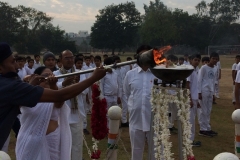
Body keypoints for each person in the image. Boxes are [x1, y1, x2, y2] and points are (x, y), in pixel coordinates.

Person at [0, 42, 106, 149]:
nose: (17, 66)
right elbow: (60, 96)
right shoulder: (9, 86)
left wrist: (32, 86)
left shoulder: (9, 85)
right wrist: (93, 78)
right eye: (13, 62)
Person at [16, 66, 71, 160]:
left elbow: (59, 102)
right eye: (46, 76)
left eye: (51, 75)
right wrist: (31, 85)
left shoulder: (55, 94)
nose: (48, 78)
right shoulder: (27, 94)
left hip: (52, 141)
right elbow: (18, 105)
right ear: (37, 78)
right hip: (30, 141)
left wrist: (53, 85)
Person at [123, 50, 157, 160]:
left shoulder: (157, 74)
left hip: (153, 119)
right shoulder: (130, 74)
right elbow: (127, 93)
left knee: (155, 150)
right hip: (136, 118)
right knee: (136, 150)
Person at [53, 50, 85, 160]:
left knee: (77, 145)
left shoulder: (80, 72)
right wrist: (64, 84)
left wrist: (78, 85)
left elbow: (85, 92)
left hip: (76, 115)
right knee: (62, 146)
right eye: (67, 58)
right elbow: (53, 89)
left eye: (71, 57)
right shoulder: (56, 74)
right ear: (60, 60)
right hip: (61, 116)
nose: (70, 60)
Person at [198, 52, 219, 137]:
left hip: (210, 91)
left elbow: (213, 81)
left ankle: (208, 127)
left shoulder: (215, 68)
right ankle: (202, 129)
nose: (214, 60)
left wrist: (214, 93)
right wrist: (199, 92)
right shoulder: (203, 68)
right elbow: (199, 80)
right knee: (203, 110)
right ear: (210, 58)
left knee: (208, 110)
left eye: (216, 59)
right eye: (213, 58)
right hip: (204, 91)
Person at [186, 54, 202, 147]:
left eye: (198, 60)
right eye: (195, 60)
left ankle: (191, 139)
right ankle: (189, 141)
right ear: (190, 60)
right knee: (190, 120)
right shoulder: (189, 70)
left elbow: (195, 86)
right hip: (190, 99)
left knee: (193, 120)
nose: (197, 61)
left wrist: (197, 100)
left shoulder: (196, 70)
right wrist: (190, 99)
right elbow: (187, 85)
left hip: (195, 98)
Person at [74, 57, 91, 135]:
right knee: (80, 110)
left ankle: (84, 127)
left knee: (84, 110)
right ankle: (80, 127)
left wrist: (87, 96)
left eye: (81, 63)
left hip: (84, 94)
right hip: (78, 95)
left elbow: (86, 84)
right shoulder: (74, 72)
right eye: (78, 63)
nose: (80, 65)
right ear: (75, 64)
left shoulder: (83, 72)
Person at [113, 56, 129, 127]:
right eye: (116, 61)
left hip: (123, 89)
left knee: (126, 105)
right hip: (116, 90)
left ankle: (124, 120)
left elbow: (125, 78)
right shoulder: (113, 70)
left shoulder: (124, 69)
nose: (118, 63)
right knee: (117, 106)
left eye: (119, 61)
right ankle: (117, 122)